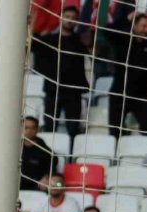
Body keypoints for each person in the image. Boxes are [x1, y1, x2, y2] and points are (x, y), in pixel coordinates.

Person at [29, 5, 88, 140]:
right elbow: (32, 44)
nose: (70, 20)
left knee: (73, 129)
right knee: (50, 126)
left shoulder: (80, 41)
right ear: (60, 18)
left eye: (73, 18)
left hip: (73, 91)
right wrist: (31, 24)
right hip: (52, 90)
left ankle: (72, 155)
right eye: (67, 17)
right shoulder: (50, 40)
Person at [108, 13, 147, 138]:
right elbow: (107, 31)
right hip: (119, 93)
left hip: (142, 95)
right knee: (115, 132)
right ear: (134, 26)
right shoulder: (124, 40)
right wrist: (126, 18)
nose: (146, 30)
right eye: (143, 26)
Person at [20, 117, 56, 191]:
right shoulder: (14, 146)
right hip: (16, 184)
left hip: (37, 186)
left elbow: (53, 163)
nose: (29, 131)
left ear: (37, 129)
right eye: (26, 128)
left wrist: (46, 178)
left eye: (33, 128)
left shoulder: (43, 149)